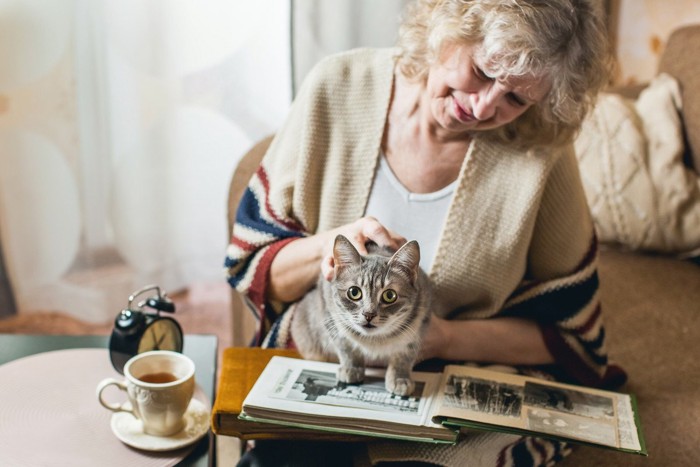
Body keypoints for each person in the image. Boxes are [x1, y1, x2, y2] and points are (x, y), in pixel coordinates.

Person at [225, 0, 626, 465]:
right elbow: (253, 265)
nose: (482, 106)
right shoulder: (336, 86)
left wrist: (443, 337)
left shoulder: (541, 149)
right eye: (481, 70)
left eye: (516, 99)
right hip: (331, 357)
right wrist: (330, 247)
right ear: (449, 28)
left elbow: (570, 334)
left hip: (454, 379)